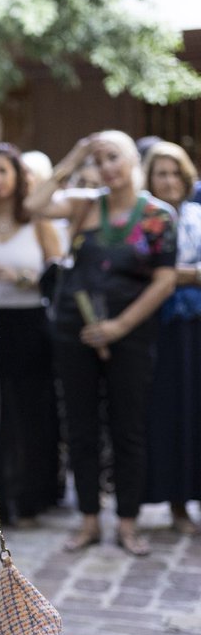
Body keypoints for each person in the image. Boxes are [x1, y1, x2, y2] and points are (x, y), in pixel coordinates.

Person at [26, 131, 176, 556]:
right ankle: (89, 518)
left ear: (131, 159)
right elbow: (34, 205)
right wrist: (73, 159)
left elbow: (164, 281)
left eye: (115, 157)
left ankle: (128, 522)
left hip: (130, 334)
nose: (108, 166)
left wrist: (119, 326)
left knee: (128, 427)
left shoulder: (157, 216)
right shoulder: (87, 202)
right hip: (76, 331)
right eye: (101, 159)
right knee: (81, 425)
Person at [0, 143, 62, 524]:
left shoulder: (37, 221)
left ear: (18, 176)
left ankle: (30, 499)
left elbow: (55, 277)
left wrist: (16, 277)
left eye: (2, 171)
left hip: (29, 326)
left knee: (30, 412)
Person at [141, 141, 201, 534]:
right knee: (162, 412)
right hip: (153, 327)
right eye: (161, 173)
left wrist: (171, 275)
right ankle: (165, 501)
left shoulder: (197, 215)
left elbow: (160, 273)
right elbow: (137, 271)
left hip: (195, 327)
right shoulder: (142, 219)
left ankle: (189, 502)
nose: (169, 180)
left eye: (174, 172)